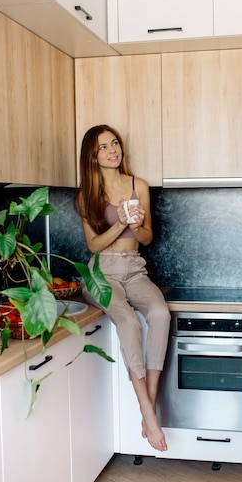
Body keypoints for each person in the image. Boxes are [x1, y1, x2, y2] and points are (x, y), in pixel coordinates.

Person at [75, 124, 170, 453]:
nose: (113, 150)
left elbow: (147, 238)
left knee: (160, 312)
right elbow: (93, 244)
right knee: (128, 321)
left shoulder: (138, 186)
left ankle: (150, 402)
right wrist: (120, 222)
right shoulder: (87, 195)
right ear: (93, 156)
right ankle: (146, 408)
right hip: (102, 273)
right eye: (104, 147)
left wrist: (135, 225)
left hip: (135, 268)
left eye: (115, 143)